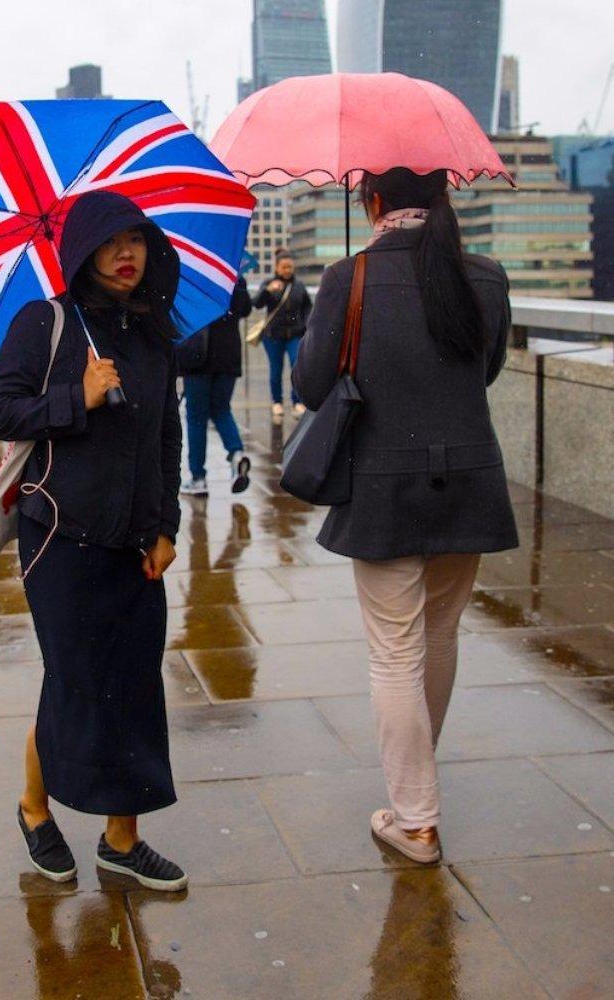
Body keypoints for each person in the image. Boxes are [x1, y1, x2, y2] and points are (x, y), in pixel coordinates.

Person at [295, 167, 516, 865]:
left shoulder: (350, 277)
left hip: (386, 487)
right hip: (469, 479)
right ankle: (418, 781)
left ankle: (416, 818)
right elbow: (486, 370)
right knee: (441, 633)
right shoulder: (485, 275)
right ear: (443, 198)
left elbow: (310, 384)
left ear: (374, 201)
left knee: (395, 650)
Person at [0, 190, 187, 892]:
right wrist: (79, 398)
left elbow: (166, 436)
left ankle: (122, 841)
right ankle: (35, 811)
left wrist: (166, 527)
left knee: (132, 685)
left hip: (134, 544)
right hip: (58, 538)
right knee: (73, 680)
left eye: (137, 241)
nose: (126, 255)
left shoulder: (156, 334)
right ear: (83, 251)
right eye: (110, 242)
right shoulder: (47, 322)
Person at [180, 273, 254, 496]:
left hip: (198, 356)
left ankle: (198, 477)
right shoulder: (234, 278)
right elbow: (247, 309)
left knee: (196, 418)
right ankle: (236, 453)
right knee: (221, 409)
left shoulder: (193, 274)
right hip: (228, 356)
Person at [251, 253, 313, 421]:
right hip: (273, 336)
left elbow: (308, 307)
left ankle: (297, 401)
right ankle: (276, 401)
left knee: (296, 366)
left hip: (295, 334)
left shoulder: (299, 286)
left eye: (290, 267)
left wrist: (306, 326)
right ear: (277, 267)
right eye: (284, 267)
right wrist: (267, 291)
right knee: (275, 370)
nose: (287, 270)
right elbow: (256, 304)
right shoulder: (269, 284)